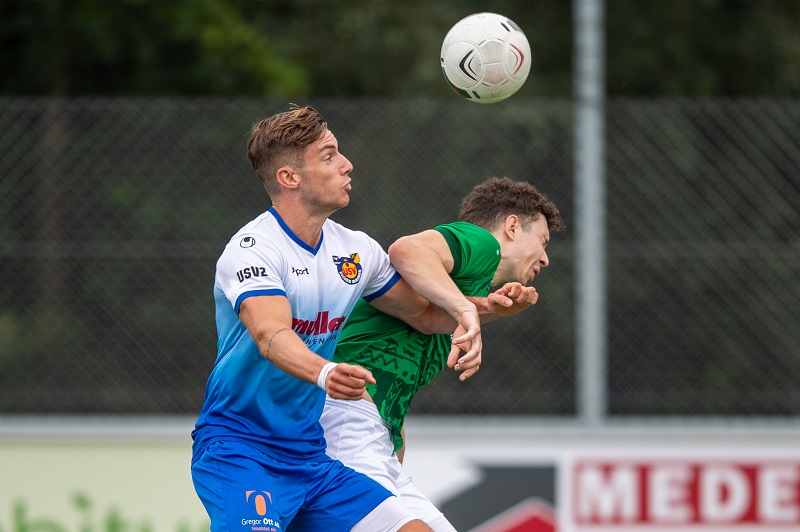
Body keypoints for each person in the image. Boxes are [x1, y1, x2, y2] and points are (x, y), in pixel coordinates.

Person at [189, 104, 519, 532]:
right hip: (241, 450)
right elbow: (270, 334)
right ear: (289, 177)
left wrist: (482, 309)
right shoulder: (253, 250)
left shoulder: (356, 250)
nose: (347, 164)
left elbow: (423, 315)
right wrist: (326, 372)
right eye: (329, 156)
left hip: (310, 458)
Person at [320, 176, 565, 531]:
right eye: (542, 240)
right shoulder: (483, 245)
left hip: (371, 437)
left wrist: (492, 309)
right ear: (512, 226)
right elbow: (406, 250)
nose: (545, 258)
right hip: (344, 421)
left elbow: (426, 321)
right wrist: (467, 311)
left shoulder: (455, 288)